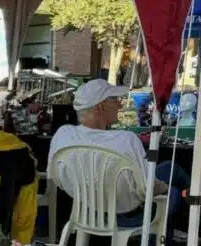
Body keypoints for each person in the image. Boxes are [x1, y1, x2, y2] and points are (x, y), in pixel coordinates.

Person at [48, 79, 189, 229]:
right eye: (114, 100)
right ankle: (162, 244)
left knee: (170, 168)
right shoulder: (125, 139)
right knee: (174, 193)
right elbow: (148, 188)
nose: (120, 104)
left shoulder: (63, 135)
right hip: (126, 213)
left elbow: (56, 179)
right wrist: (166, 188)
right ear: (100, 107)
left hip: (88, 210)